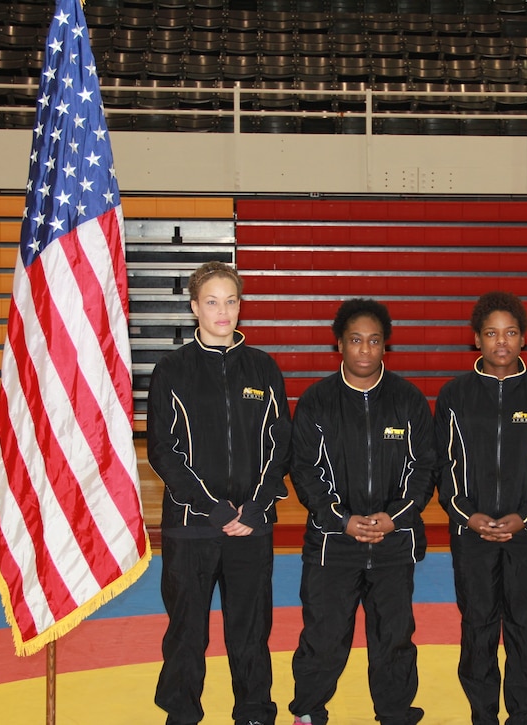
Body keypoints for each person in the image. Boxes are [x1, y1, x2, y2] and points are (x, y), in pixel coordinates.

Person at [148, 261, 291, 725]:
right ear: (194, 308)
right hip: (192, 528)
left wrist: (255, 507)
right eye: (212, 301)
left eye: (231, 300)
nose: (222, 310)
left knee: (250, 631)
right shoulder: (172, 370)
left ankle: (253, 712)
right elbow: (162, 451)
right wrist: (211, 507)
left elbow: (280, 444)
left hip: (252, 526)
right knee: (187, 632)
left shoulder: (264, 368)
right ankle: (181, 714)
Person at [289, 298, 436, 725]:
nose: (365, 350)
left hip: (393, 543)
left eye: (374, 341)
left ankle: (395, 713)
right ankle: (309, 712)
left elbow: (424, 467)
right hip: (332, 545)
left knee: (394, 638)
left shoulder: (407, 400)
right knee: (323, 636)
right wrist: (342, 521)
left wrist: (396, 517)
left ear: (385, 346)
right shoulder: (317, 401)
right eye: (356, 340)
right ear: (340, 344)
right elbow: (305, 471)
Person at [434, 291, 527, 725]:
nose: (501, 341)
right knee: (477, 624)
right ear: (476, 339)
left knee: (523, 624)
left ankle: (525, 713)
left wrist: (526, 514)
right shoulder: (454, 395)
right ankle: (482, 713)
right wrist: (468, 515)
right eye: (491, 333)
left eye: (510, 333)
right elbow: (443, 464)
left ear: (523, 339)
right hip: (470, 533)